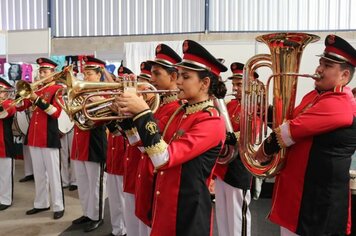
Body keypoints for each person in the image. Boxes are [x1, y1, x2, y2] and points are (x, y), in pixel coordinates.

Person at [114, 39, 227, 236]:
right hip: (166, 202)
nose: (179, 81)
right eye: (179, 75)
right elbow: (145, 148)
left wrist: (142, 113)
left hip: (187, 211)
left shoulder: (211, 122)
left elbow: (163, 157)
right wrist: (126, 119)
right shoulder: (182, 112)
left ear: (205, 83)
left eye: (185, 76)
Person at [253, 34, 356, 236]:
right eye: (320, 63)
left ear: (344, 76)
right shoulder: (314, 97)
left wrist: (262, 152)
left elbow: (290, 130)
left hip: (317, 206)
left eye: (327, 66)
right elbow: (289, 119)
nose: (318, 69)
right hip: (300, 200)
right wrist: (262, 110)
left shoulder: (339, 103)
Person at [134, 45, 182, 229]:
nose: (151, 79)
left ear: (173, 77)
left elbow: (161, 151)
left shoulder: (178, 108)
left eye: (156, 74)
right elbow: (139, 144)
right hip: (146, 175)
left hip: (160, 179)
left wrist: (140, 112)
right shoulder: (158, 104)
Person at [17, 58, 65, 220]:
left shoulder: (57, 89)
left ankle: (58, 205)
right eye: (41, 71)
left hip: (48, 136)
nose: (41, 74)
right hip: (34, 136)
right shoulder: (37, 88)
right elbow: (20, 107)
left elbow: (55, 113)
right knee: (38, 173)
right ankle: (41, 203)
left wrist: (35, 98)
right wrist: (22, 94)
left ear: (53, 74)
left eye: (45, 71)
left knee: (53, 174)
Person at [214, 62, 255, 236]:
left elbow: (254, 133)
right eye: (234, 84)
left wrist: (234, 136)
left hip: (239, 169)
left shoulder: (254, 106)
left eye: (240, 84)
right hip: (222, 168)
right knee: (222, 217)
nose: (236, 88)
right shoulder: (229, 105)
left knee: (238, 217)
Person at [70, 56, 107, 233]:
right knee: (83, 183)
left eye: (90, 73)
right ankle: (87, 212)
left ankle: (97, 216)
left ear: (99, 75)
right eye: (85, 73)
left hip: (94, 143)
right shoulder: (81, 92)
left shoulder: (106, 94)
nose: (85, 76)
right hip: (79, 143)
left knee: (95, 184)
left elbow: (104, 119)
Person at [0, 78, 17, 211]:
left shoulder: (10, 103)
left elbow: (4, 113)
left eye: (0, 91)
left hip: (4, 143)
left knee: (5, 173)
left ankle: (6, 199)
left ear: (5, 93)